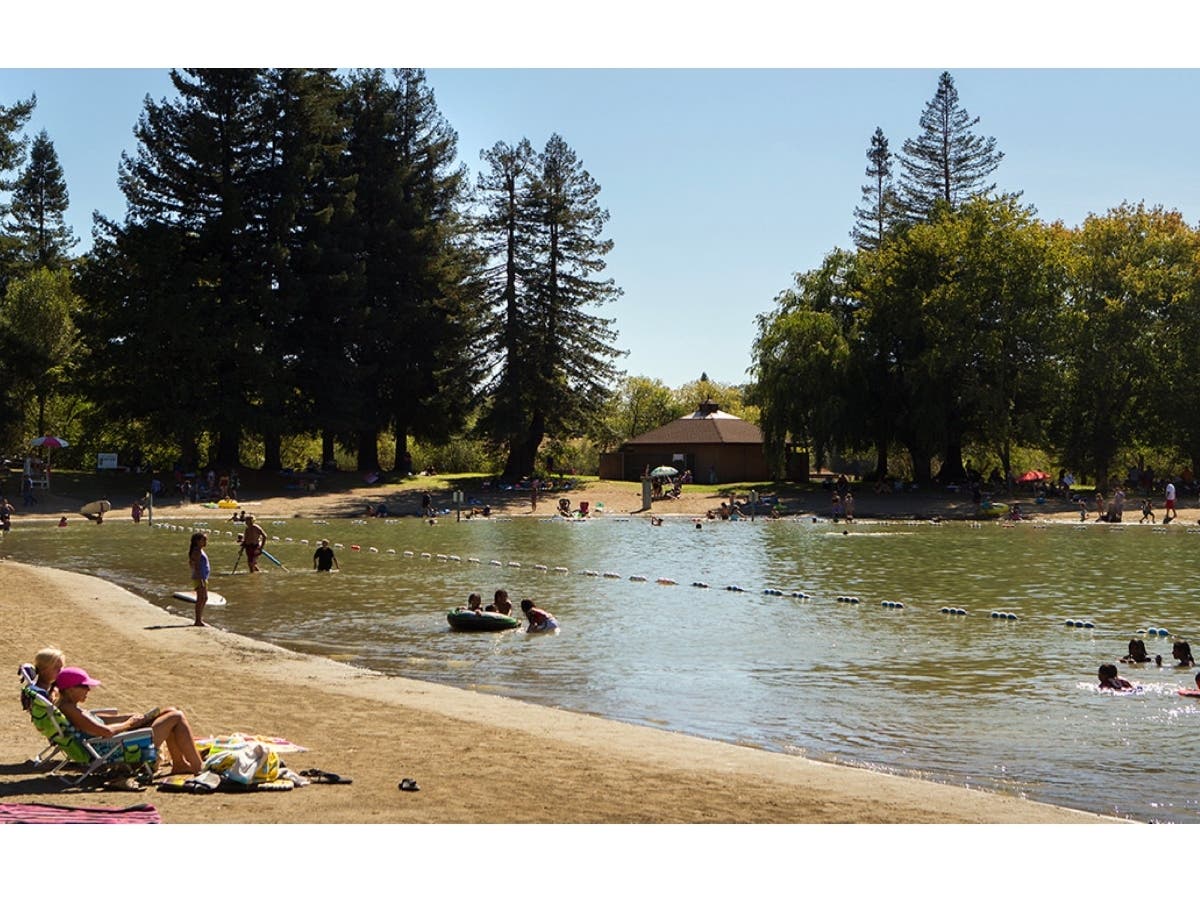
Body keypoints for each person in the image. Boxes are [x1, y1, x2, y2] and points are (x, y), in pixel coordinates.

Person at [54, 666, 204, 776]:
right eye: (85, 686)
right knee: (176, 717)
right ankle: (199, 768)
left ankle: (180, 764)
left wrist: (132, 718)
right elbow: (106, 731)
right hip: (117, 750)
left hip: (111, 744)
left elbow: (101, 721)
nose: (89, 690)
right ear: (70, 689)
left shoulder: (69, 707)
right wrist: (129, 724)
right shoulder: (72, 710)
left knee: (169, 711)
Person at [188, 532, 210, 626]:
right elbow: (195, 566)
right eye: (203, 540)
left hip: (203, 577)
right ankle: (197, 620)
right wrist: (200, 579)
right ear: (197, 541)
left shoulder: (200, 550)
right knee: (201, 598)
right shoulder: (197, 551)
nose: (206, 541)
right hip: (199, 577)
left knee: (204, 598)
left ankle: (199, 619)